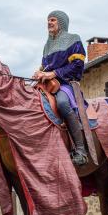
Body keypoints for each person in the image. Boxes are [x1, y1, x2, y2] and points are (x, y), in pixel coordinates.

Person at [33, 10, 87, 165]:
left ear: (61, 22)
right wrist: (39, 73)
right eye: (48, 20)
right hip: (47, 85)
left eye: (53, 20)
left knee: (62, 103)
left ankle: (81, 150)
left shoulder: (73, 39)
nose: (49, 23)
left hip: (66, 84)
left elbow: (78, 66)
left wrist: (54, 73)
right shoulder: (47, 46)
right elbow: (45, 67)